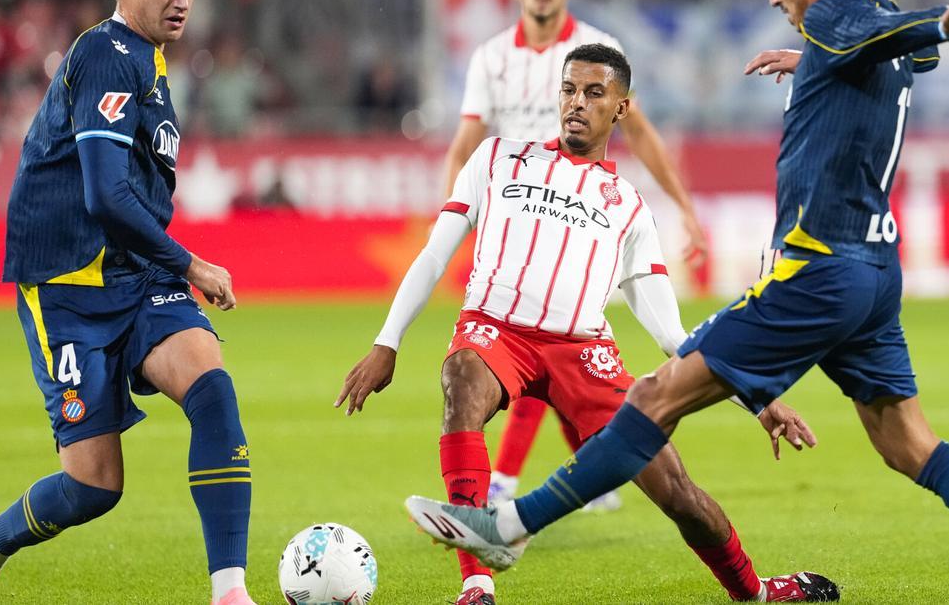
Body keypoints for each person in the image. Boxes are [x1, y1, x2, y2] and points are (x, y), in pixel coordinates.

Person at [403, 0, 949, 605]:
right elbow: (903, 53)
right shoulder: (861, 26)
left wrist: (943, 23)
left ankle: (509, 525)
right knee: (908, 442)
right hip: (876, 269)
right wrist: (816, 60)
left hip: (817, 267)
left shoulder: (838, 16)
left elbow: (906, 36)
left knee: (651, 399)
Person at [338, 44, 837, 605]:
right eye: (569, 89)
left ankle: (756, 592)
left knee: (676, 491)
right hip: (496, 332)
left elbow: (673, 336)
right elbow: (433, 256)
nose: (577, 103)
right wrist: (388, 342)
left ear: (622, 108)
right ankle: (477, 585)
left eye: (594, 93)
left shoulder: (629, 208)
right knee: (461, 381)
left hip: (583, 354)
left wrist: (759, 399)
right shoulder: (497, 158)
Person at [0, 0, 257, 604]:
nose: (182, 0)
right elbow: (105, 194)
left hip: (135, 277)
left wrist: (166, 269)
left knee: (212, 389)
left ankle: (230, 591)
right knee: (93, 486)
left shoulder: (152, 63)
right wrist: (192, 264)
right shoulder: (108, 54)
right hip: (69, 287)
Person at [443, 0, 710, 523]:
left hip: (579, 216)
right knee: (549, 345)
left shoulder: (600, 49)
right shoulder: (491, 57)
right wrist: (453, 220)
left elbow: (638, 132)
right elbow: (466, 143)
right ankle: (587, 465)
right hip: (513, 217)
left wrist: (683, 204)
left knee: (554, 335)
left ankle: (512, 482)